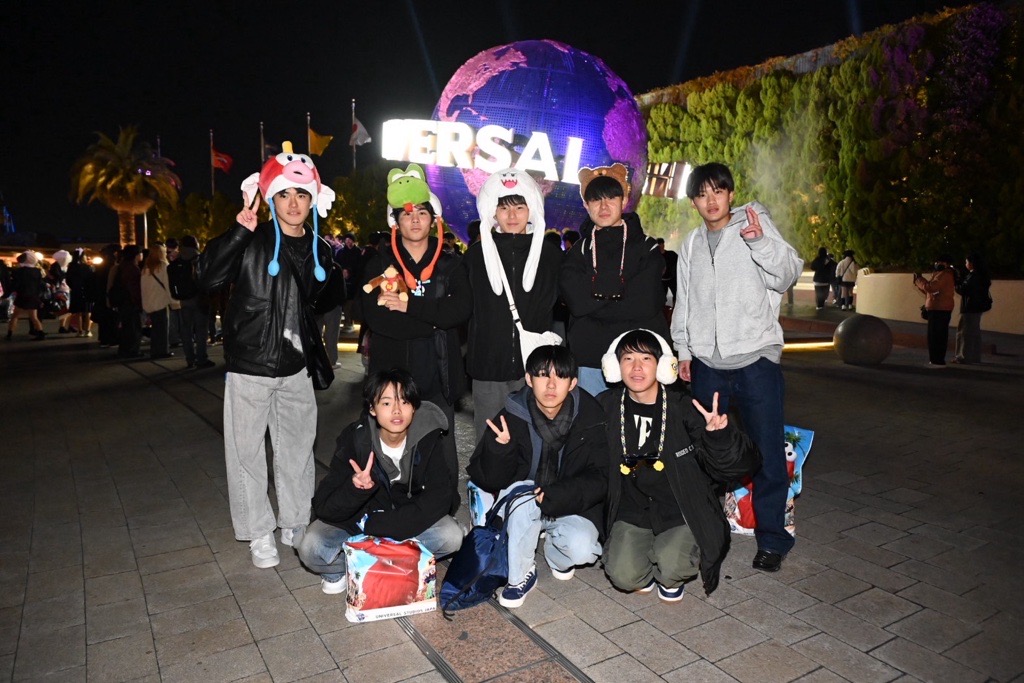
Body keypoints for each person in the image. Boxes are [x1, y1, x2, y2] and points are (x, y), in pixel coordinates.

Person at [198, 141, 339, 569]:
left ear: (313, 199)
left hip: (297, 367)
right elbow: (206, 277)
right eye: (284, 194)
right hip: (250, 365)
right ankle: (258, 532)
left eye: (302, 195)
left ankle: (294, 521)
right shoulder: (251, 240)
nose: (293, 203)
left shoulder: (320, 248)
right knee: (246, 455)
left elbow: (324, 301)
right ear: (271, 196)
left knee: (297, 450)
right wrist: (239, 230)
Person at [670, 162, 803, 573]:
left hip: (755, 362)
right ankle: (706, 531)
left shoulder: (753, 224)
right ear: (693, 202)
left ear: (730, 194)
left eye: (718, 191)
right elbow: (684, 300)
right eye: (702, 194)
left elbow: (787, 274)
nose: (711, 201)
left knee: (766, 452)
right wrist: (684, 350)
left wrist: (760, 242)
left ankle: (773, 540)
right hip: (708, 366)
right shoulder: (691, 244)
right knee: (705, 453)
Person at [598, 329, 759, 601]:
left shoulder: (685, 407)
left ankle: (669, 569)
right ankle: (644, 563)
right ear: (615, 366)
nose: (636, 367)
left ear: (662, 366)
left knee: (672, 565)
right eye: (628, 359)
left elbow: (738, 466)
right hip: (632, 510)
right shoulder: (607, 406)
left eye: (646, 359)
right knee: (624, 576)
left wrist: (719, 438)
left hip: (680, 510)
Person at [359, 163, 471, 506]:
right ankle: (388, 506)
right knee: (389, 447)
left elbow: (460, 311)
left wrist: (409, 306)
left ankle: (444, 507)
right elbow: (376, 319)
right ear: (396, 221)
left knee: (440, 447)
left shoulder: (451, 263)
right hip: (392, 375)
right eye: (407, 214)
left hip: (438, 372)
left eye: (422, 212)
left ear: (433, 218)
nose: (416, 220)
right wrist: (434, 319)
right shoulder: (380, 264)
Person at [297, 368, 465, 594]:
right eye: (386, 403)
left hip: (397, 520)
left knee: (451, 536)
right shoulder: (356, 439)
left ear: (414, 408)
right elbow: (323, 506)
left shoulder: (429, 438)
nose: (396, 410)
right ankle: (357, 569)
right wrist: (355, 489)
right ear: (372, 408)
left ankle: (368, 566)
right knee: (311, 547)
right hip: (358, 521)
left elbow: (440, 497)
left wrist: (379, 527)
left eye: (404, 402)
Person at [467, 345, 607, 608]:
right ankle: (520, 577)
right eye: (543, 375)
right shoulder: (511, 414)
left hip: (567, 502)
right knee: (523, 492)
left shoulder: (591, 416)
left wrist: (557, 495)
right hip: (523, 503)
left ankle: (555, 552)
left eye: (560, 376)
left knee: (584, 549)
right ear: (529, 379)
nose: (551, 384)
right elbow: (487, 479)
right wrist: (500, 449)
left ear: (573, 383)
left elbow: (599, 477)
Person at [465, 168, 562, 445]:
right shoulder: (475, 256)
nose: (512, 215)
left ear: (531, 209)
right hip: (487, 366)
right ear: (492, 212)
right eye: (504, 208)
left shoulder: (550, 256)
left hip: (533, 368)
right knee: (488, 439)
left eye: (519, 207)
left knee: (531, 440)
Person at [559, 164, 669, 397]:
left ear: (624, 199)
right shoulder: (578, 251)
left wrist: (595, 296)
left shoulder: (646, 247)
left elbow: (647, 303)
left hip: (639, 358)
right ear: (586, 204)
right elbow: (577, 303)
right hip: (590, 358)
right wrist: (623, 289)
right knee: (593, 418)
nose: (604, 206)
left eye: (611, 197)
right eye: (596, 200)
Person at [168, 235, 214, 369]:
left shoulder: (178, 261)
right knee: (201, 330)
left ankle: (190, 358)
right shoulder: (200, 259)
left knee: (186, 330)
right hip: (200, 298)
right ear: (195, 244)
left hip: (184, 299)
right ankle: (201, 358)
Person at [914, 254, 957, 368]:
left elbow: (931, 287)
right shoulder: (941, 274)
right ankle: (936, 360)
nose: (937, 264)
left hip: (939, 308)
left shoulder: (944, 274)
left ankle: (937, 361)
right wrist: (921, 284)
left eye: (939, 262)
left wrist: (919, 280)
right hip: (939, 307)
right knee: (937, 336)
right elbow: (930, 290)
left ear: (946, 263)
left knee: (936, 337)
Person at [954, 253, 992, 364]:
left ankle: (963, 356)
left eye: (966, 262)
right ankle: (974, 357)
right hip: (977, 307)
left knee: (965, 333)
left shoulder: (973, 276)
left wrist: (956, 283)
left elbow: (964, 290)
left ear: (972, 263)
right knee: (974, 333)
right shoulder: (981, 275)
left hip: (970, 307)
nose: (965, 264)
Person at [140, 243, 174, 359]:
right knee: (163, 328)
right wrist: (174, 301)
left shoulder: (146, 268)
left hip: (150, 303)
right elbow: (168, 285)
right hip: (161, 301)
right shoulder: (163, 266)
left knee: (155, 328)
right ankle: (162, 351)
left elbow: (143, 288)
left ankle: (155, 350)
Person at [5, 251, 46, 341]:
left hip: (22, 295)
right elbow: (39, 285)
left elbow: (15, 284)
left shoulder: (19, 271)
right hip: (33, 296)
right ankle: (41, 333)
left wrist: (6, 294)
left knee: (15, 315)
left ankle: (10, 333)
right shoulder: (37, 271)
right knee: (34, 317)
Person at [113, 244, 144, 359]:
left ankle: (125, 350)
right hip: (130, 302)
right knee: (133, 327)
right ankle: (132, 350)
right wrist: (139, 303)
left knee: (127, 327)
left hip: (123, 301)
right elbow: (134, 288)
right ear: (136, 255)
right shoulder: (132, 269)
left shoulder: (123, 266)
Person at [65, 248, 95, 337]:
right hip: (86, 291)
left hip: (76, 291)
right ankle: (88, 331)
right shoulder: (87, 267)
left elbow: (68, 280)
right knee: (88, 311)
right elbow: (91, 279)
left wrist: (73, 287)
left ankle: (80, 331)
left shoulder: (71, 267)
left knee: (78, 312)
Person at [47, 250, 73, 332]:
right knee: (65, 309)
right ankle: (62, 326)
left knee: (65, 309)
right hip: (62, 290)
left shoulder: (56, 267)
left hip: (63, 289)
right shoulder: (60, 267)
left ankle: (64, 325)